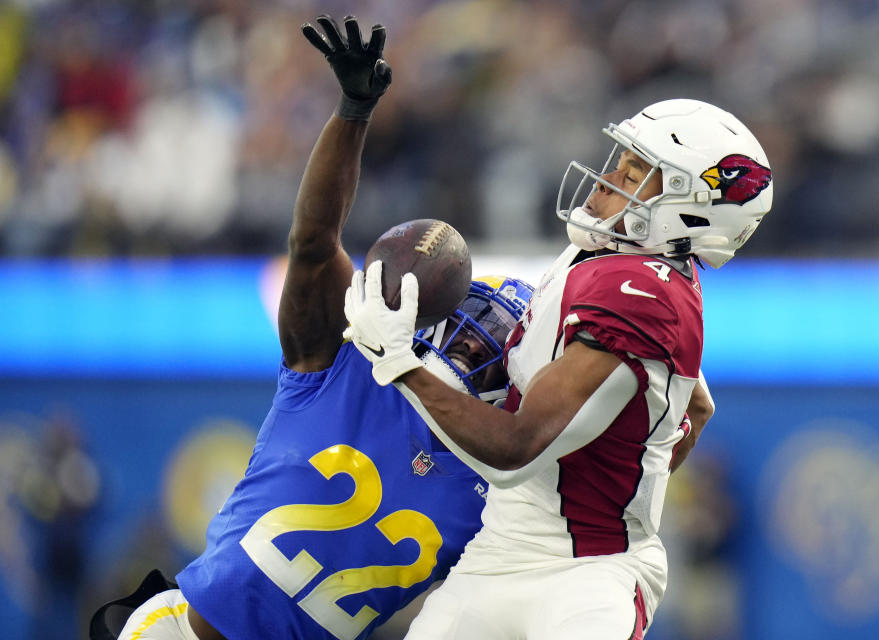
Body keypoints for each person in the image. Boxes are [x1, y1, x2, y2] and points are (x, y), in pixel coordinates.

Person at [90, 15, 535, 640]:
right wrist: (353, 112)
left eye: (487, 343)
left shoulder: (507, 480)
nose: (468, 344)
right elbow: (313, 243)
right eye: (467, 327)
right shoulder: (342, 369)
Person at [344, 97, 773, 638]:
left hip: (587, 571)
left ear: (687, 209)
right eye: (621, 158)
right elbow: (697, 405)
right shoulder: (606, 255)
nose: (608, 176)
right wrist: (631, 460)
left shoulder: (641, 293)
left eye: (636, 172)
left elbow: (515, 451)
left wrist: (400, 363)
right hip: (500, 550)